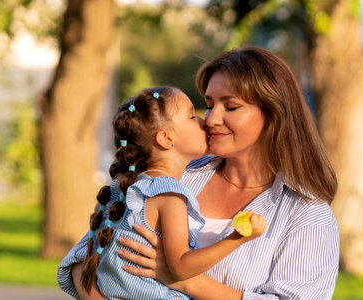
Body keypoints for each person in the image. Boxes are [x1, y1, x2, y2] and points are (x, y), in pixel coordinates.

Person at [62, 46, 340, 299]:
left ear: (273, 114)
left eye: (230, 106)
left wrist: (184, 281)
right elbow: (83, 259)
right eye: (208, 105)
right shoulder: (171, 176)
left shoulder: (307, 216)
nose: (211, 119)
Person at [58, 86, 267, 299]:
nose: (206, 121)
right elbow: (181, 269)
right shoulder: (169, 195)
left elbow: (87, 255)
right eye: (192, 116)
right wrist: (237, 238)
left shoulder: (122, 188)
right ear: (166, 139)